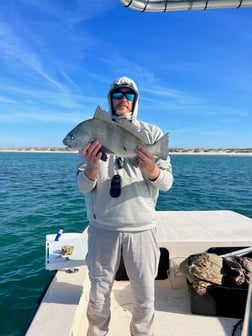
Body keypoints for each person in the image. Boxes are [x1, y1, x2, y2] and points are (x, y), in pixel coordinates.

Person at [76, 76, 173, 336]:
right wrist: (92, 168)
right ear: (110, 99)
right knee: (97, 297)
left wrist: (152, 169)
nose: (123, 100)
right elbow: (83, 186)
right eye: (117, 95)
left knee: (144, 298)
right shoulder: (90, 134)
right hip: (102, 228)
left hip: (142, 228)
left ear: (135, 100)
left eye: (128, 95)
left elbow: (166, 183)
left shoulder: (152, 133)